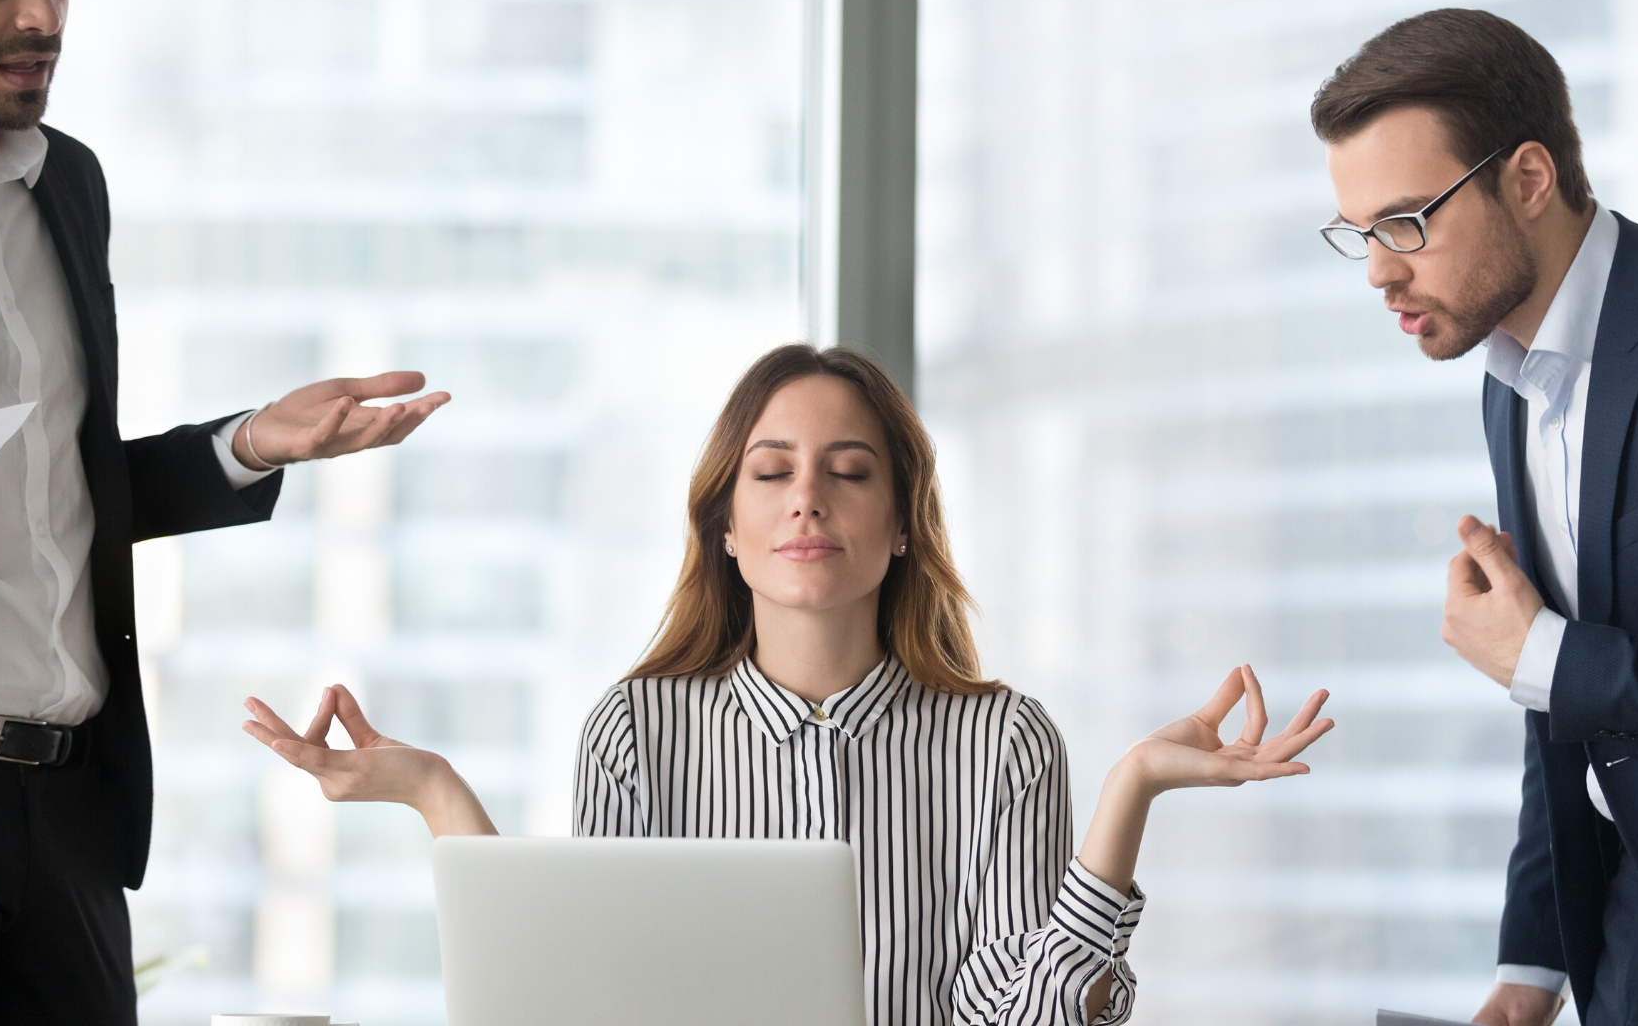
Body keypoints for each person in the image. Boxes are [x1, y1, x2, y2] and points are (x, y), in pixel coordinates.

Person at [245, 343, 1334, 1026]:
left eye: (849, 472)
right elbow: (588, 999)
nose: (807, 498)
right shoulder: (637, 731)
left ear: (901, 526)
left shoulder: (1003, 743)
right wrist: (435, 790)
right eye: (772, 473)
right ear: (729, 524)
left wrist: (1131, 789)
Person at [0, 0, 450, 1022]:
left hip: (72, 811)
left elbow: (58, 490)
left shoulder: (66, 184)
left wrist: (248, 445)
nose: (42, 14)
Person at [1311, 8, 1638, 1026]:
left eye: (1407, 222)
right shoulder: (1507, 378)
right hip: (1620, 943)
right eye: (1359, 234)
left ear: (1527, 180)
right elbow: (1561, 711)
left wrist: (1548, 658)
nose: (1379, 271)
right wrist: (1531, 969)